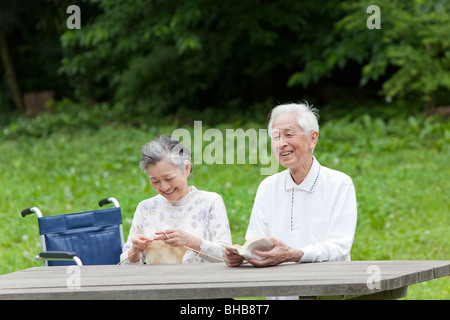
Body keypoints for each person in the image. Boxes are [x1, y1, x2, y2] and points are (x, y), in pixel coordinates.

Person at [223, 103, 357, 269]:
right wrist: (242, 256)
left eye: (288, 134)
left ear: (312, 139)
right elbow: (255, 243)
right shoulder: (268, 187)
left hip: (324, 287)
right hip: (279, 289)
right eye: (276, 137)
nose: (281, 144)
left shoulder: (339, 184)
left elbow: (339, 247)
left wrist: (293, 255)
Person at [121, 135, 232, 264]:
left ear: (186, 169)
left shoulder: (210, 202)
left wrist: (191, 242)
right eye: (155, 181)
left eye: (169, 179)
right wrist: (135, 251)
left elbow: (227, 256)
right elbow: (123, 265)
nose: (164, 187)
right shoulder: (146, 208)